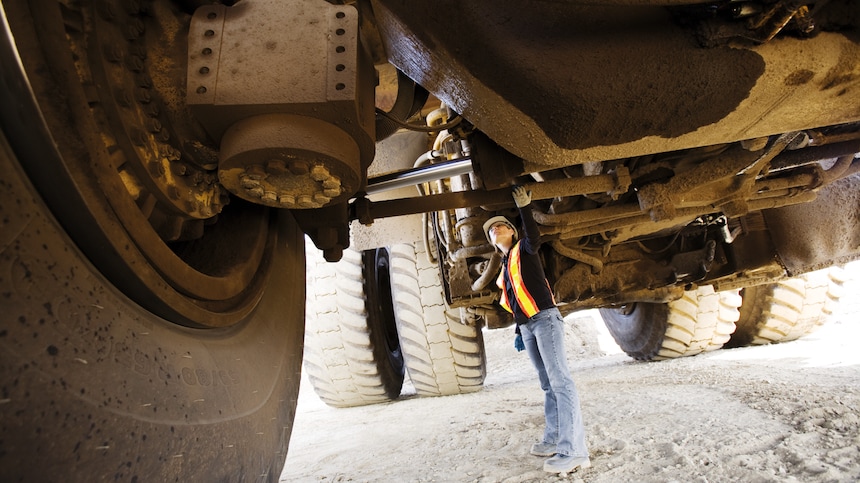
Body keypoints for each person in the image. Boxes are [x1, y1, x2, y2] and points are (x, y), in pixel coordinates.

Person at [482, 186, 591, 475]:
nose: (497, 228)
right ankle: (554, 438)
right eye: (492, 229)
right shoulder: (505, 267)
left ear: (512, 232)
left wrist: (524, 208)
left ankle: (574, 450)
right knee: (547, 383)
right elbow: (517, 301)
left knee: (561, 382)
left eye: (503, 225)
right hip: (529, 325)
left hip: (545, 319)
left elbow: (534, 236)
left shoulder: (524, 250)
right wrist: (519, 331)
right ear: (492, 243)